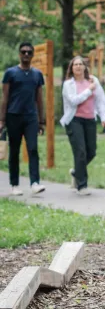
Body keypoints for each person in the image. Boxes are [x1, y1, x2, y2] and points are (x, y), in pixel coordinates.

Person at [0, 42, 46, 196]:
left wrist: (42, 120)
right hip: (13, 116)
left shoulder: (37, 75)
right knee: (15, 150)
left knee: (33, 149)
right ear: (19, 54)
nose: (26, 54)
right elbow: (4, 98)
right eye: (23, 52)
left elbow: (39, 99)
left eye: (29, 52)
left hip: (31, 117)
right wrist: (2, 120)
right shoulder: (10, 73)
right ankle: (14, 184)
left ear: (32, 55)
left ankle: (35, 183)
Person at [60, 56, 105, 196]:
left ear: (85, 67)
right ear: (71, 68)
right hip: (74, 121)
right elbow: (73, 101)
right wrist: (89, 90)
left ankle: (76, 172)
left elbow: (101, 100)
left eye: (81, 64)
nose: (78, 67)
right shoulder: (68, 84)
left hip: (90, 120)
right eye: (75, 64)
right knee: (80, 152)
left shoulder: (93, 81)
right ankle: (82, 186)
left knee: (91, 151)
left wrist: (104, 117)